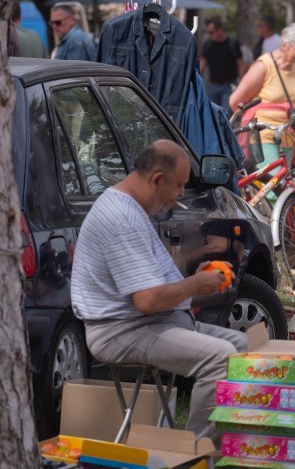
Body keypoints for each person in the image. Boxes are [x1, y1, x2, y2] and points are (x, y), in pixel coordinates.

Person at [70, 140, 247, 437]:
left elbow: (149, 284)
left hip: (151, 323)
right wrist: (194, 284)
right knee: (223, 357)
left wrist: (193, 281)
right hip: (122, 330)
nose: (180, 195)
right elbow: (147, 300)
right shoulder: (121, 217)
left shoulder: (132, 209)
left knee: (243, 348)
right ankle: (198, 459)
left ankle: (232, 449)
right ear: (156, 180)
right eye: (178, 186)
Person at [229, 23, 295, 172]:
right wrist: (251, 124)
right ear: (284, 45)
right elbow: (235, 102)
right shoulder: (263, 66)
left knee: (286, 183)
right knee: (274, 185)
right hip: (263, 135)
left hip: (288, 135)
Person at [200, 17, 245, 112]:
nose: (210, 35)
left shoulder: (232, 44)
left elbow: (240, 64)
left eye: (212, 32)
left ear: (220, 30)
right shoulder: (208, 44)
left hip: (229, 86)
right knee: (211, 113)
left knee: (226, 113)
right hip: (212, 85)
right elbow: (202, 64)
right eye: (209, 32)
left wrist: (240, 83)